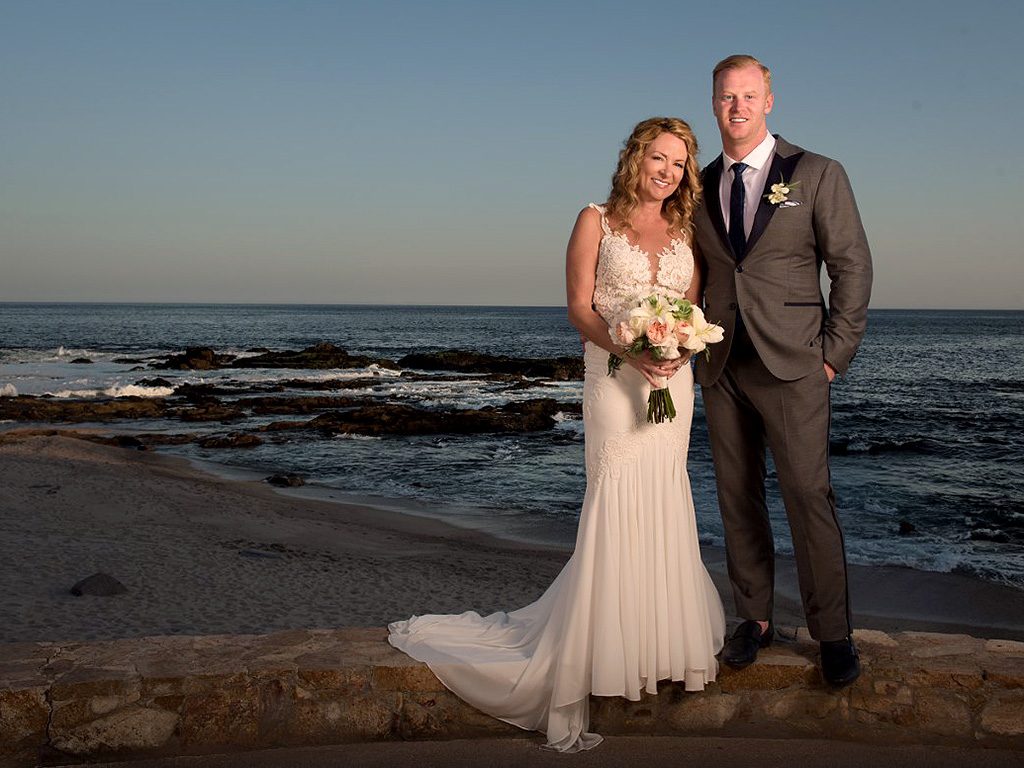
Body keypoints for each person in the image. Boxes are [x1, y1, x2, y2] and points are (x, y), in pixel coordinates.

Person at [389, 117, 725, 751]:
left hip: (672, 386)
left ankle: (654, 646)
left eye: (679, 164)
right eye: (658, 158)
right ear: (635, 159)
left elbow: (693, 309)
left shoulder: (687, 231)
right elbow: (578, 305)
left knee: (664, 495)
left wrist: (678, 352)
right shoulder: (594, 218)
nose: (667, 171)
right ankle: (602, 653)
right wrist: (631, 349)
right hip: (614, 379)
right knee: (615, 497)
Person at [693, 54, 873, 687]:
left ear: (769, 100)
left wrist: (832, 355)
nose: (736, 107)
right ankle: (754, 619)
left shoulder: (817, 173)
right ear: (714, 104)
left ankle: (833, 634)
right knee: (736, 497)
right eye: (725, 97)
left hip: (795, 364)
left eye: (748, 95)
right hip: (721, 366)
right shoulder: (702, 183)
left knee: (807, 495)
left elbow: (851, 267)